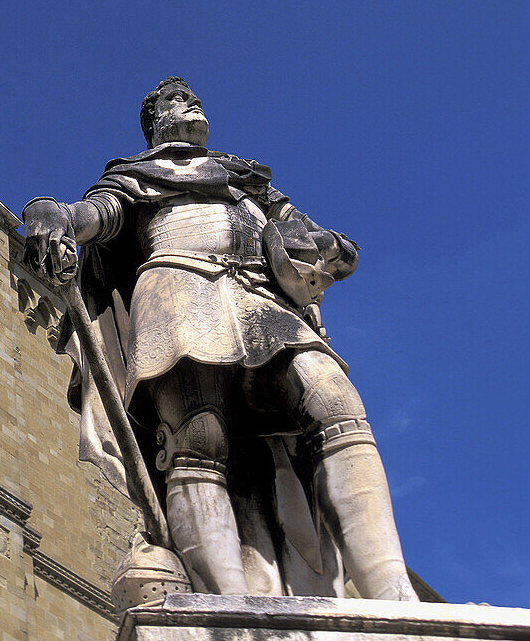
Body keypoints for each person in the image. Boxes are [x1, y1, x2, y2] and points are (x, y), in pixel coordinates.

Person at [23, 77, 417, 600]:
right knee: (197, 437)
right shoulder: (133, 177)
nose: (191, 101)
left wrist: (329, 249)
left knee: (335, 403)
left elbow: (316, 239)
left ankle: (390, 591)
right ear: (155, 123)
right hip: (178, 290)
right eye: (175, 98)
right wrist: (50, 213)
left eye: (193, 96)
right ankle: (224, 606)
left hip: (263, 298)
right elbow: (95, 217)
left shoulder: (247, 180)